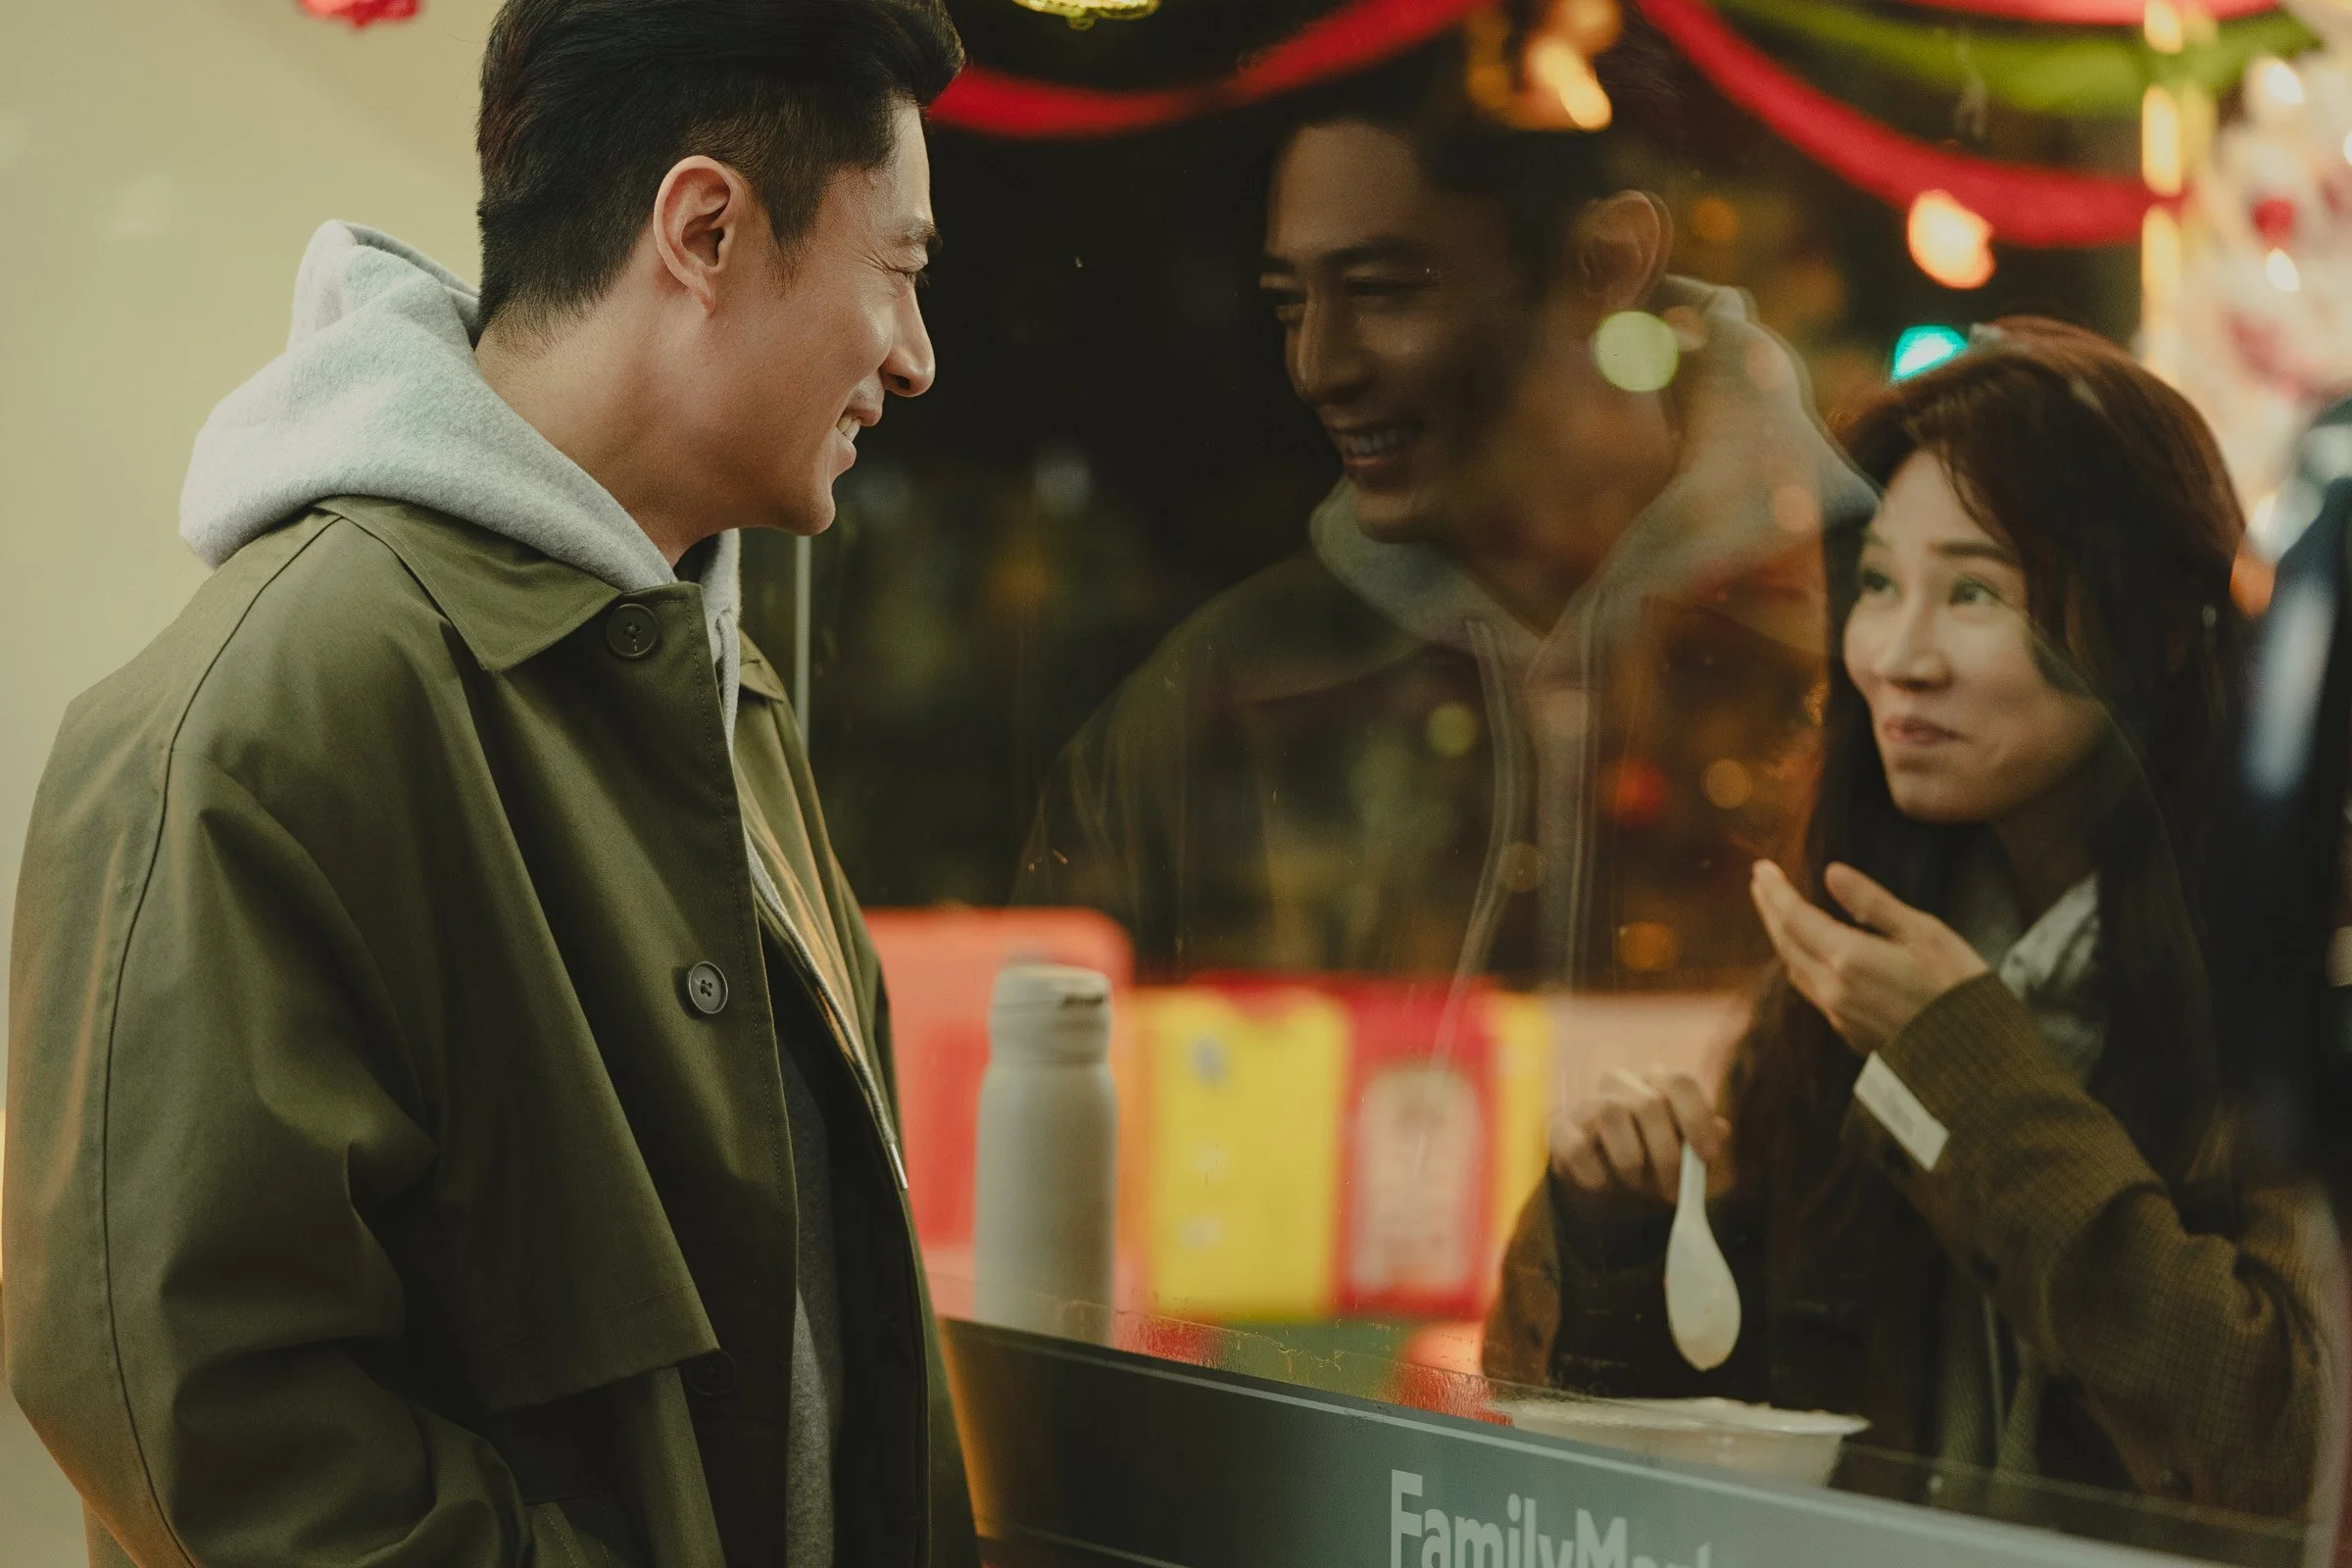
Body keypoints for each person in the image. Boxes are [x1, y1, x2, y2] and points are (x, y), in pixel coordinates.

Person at [3, 2, 976, 1564]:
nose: (915, 359)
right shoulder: (263, 718)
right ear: (707, 228)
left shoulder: (718, 696)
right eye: (903, 272)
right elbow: (213, 1436)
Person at [1485, 319, 2343, 1523]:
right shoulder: (1851, 967)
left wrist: (1971, 1075)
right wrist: (1624, 1238)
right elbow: (1692, 1467)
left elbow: (2287, 1445)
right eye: (1879, 583)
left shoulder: (2291, 975)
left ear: (2154, 629)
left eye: (1976, 590)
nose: (1898, 655)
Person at [1015, 42, 1875, 990]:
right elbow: (1035, 1050)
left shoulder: (1869, 644)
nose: (1318, 367)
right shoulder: (1218, 698)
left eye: (1382, 290)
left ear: (1607, 262)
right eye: (1289, 304)